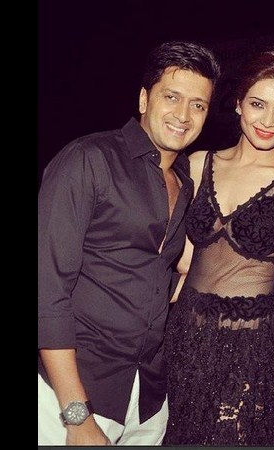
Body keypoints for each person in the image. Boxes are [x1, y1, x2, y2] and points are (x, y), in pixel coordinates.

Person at [38, 41, 221, 446]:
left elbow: (163, 271)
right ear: (143, 98)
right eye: (171, 97)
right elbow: (46, 291)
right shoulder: (89, 159)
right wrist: (76, 416)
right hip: (70, 396)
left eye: (198, 104)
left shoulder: (185, 182)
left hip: (147, 399)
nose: (183, 115)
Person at [163, 49, 274, 445]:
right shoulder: (197, 164)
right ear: (237, 103)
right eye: (257, 104)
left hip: (250, 349)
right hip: (182, 335)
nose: (268, 121)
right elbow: (179, 258)